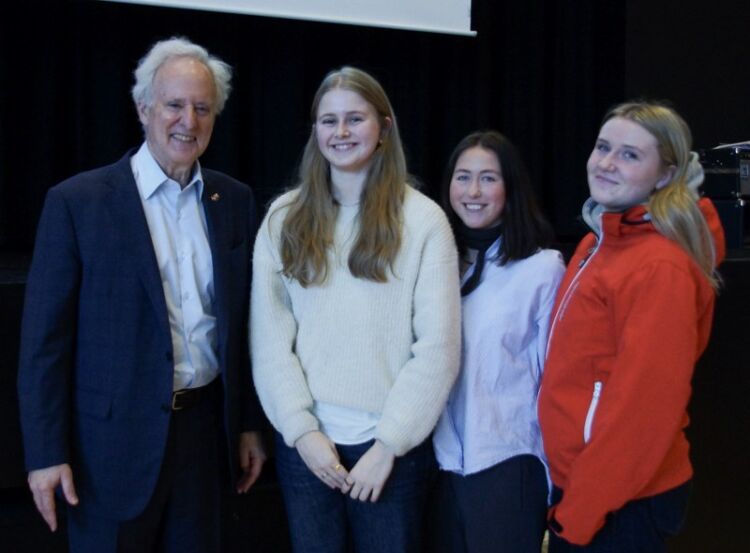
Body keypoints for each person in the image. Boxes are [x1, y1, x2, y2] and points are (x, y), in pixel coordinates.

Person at [17, 37, 266, 553]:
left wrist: (246, 426)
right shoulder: (77, 203)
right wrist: (44, 452)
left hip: (205, 441)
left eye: (202, 108)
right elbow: (44, 344)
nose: (188, 121)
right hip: (107, 452)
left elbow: (244, 327)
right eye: (175, 105)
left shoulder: (234, 201)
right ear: (143, 109)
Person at [250, 66, 461, 553]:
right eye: (328, 121)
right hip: (307, 451)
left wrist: (388, 445)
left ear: (384, 128)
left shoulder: (424, 221)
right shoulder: (283, 218)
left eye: (355, 119)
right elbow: (269, 341)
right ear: (315, 132)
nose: (340, 133)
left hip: (391, 454)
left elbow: (438, 349)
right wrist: (302, 433)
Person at [538, 101, 726, 552]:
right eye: (603, 147)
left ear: (664, 175)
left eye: (629, 155)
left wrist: (577, 515)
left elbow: (642, 413)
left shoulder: (661, 266)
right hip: (587, 486)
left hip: (620, 501)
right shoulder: (598, 239)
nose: (605, 163)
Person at [429, 130, 565, 552]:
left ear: (511, 187)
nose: (473, 191)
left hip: (508, 463)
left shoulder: (542, 269)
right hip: (438, 465)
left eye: (488, 178)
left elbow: (556, 380)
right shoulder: (433, 263)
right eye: (463, 176)